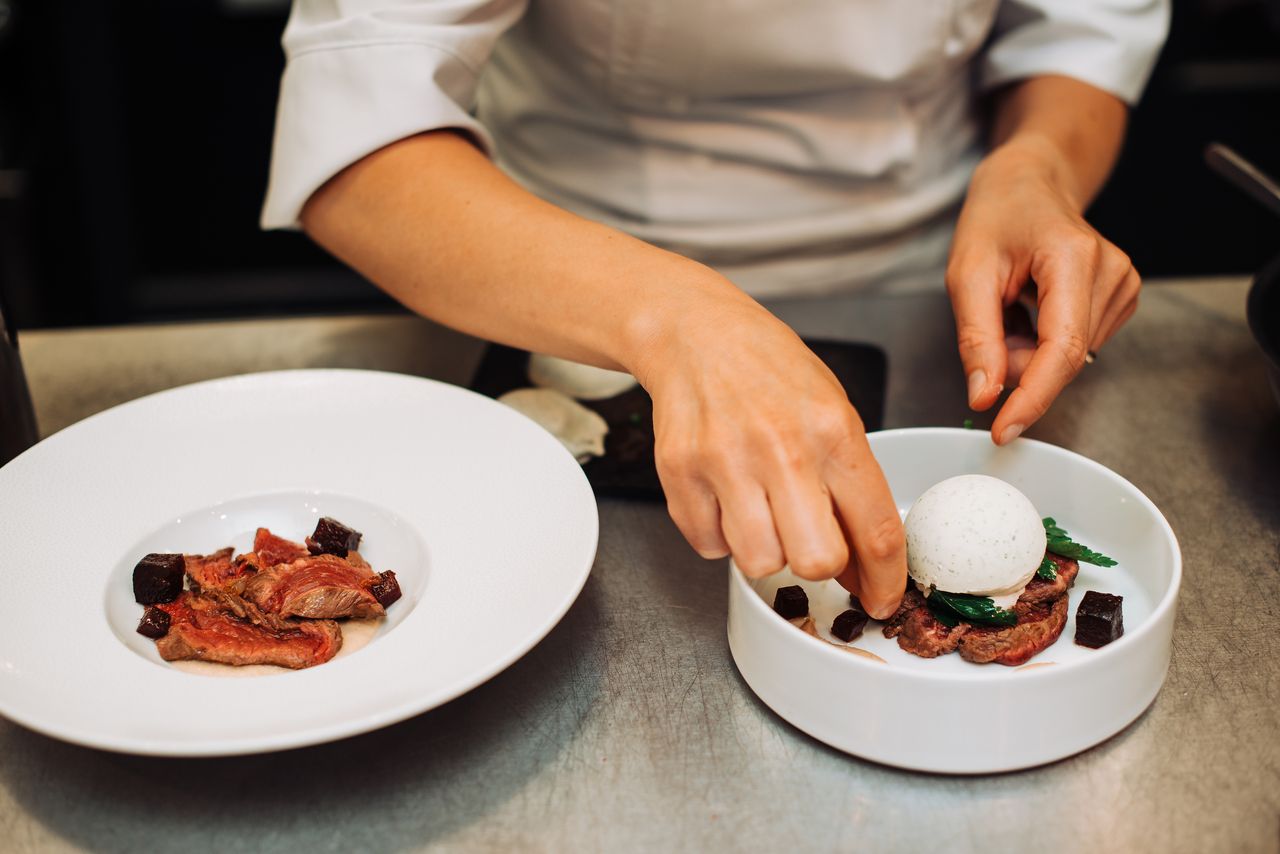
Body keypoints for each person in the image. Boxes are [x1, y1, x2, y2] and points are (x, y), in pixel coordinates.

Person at [261, 1, 1168, 619]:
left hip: (919, 265)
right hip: (559, 259)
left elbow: (1081, 30)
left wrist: (1037, 165)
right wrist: (674, 317)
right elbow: (358, 131)